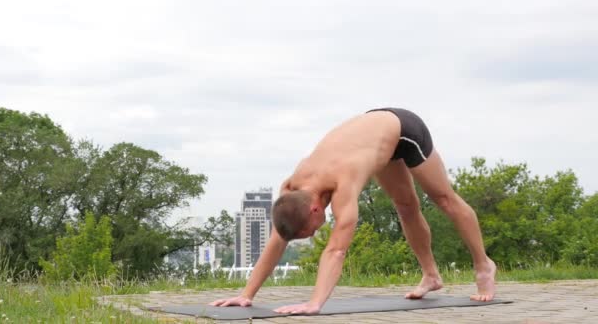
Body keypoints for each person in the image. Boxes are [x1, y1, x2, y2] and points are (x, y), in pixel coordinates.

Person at [210, 108, 497, 314]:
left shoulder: (342, 184)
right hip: (372, 137)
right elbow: (278, 239)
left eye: (314, 227)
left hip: (403, 128)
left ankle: (483, 265)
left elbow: (336, 251)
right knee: (406, 206)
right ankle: (431, 276)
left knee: (443, 198)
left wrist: (314, 304)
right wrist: (246, 295)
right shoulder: (293, 187)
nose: (320, 229)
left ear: (313, 208)